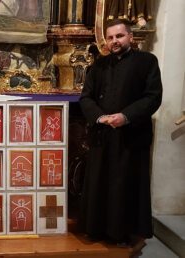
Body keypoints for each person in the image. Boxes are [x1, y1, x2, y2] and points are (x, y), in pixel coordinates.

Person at [79, 19, 162, 246]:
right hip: (102, 136)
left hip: (131, 137)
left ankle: (123, 233)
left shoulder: (147, 62)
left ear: (131, 37)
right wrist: (99, 117)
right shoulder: (98, 66)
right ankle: (96, 229)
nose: (114, 41)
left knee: (124, 185)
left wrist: (125, 117)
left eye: (119, 36)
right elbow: (86, 97)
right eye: (110, 37)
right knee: (100, 182)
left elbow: (152, 96)